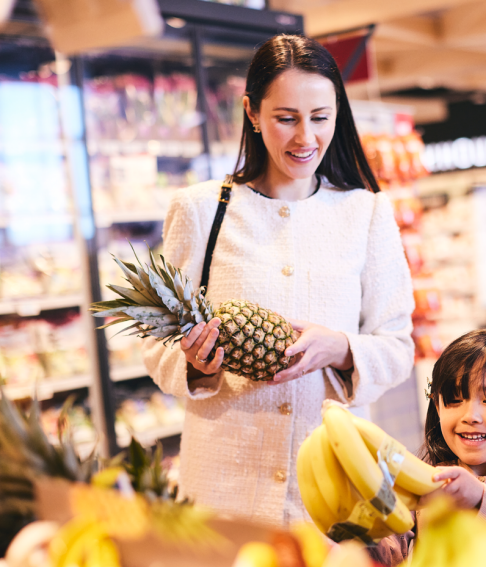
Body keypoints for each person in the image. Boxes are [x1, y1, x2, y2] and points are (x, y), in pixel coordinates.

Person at [142, 35, 415, 527]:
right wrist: (197, 366)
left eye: (320, 117)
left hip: (334, 487)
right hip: (226, 487)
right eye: (286, 118)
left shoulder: (366, 213)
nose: (305, 137)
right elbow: (157, 345)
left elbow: (397, 346)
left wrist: (340, 348)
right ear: (251, 112)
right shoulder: (201, 210)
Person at [371, 329, 486, 566]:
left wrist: (479, 499)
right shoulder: (423, 483)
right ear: (438, 408)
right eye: (454, 400)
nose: (471, 416)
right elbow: (385, 560)